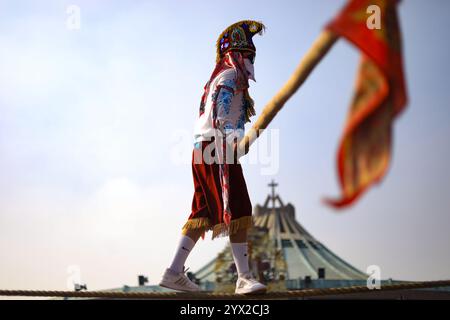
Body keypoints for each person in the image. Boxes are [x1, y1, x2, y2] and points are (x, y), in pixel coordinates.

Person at [159, 20, 267, 295]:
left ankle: (173, 272)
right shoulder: (231, 77)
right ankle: (243, 278)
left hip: (201, 149)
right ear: (238, 55)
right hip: (216, 148)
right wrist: (236, 141)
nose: (250, 60)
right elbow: (221, 117)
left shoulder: (216, 79)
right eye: (248, 55)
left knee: (202, 213)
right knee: (240, 208)